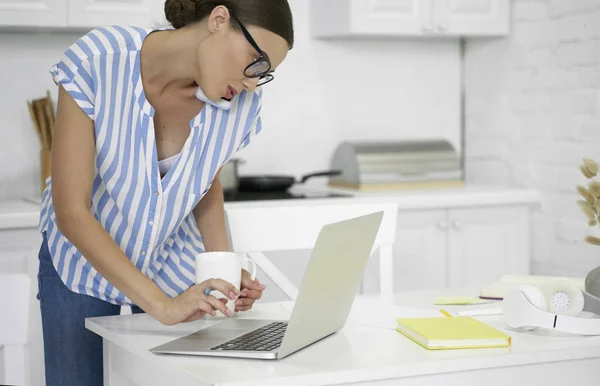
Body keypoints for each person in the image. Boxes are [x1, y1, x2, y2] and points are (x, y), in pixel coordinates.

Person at [36, 0, 294, 384]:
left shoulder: (240, 105)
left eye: (265, 74)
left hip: (168, 264)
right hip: (80, 263)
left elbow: (204, 184)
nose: (253, 82)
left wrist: (222, 269)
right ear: (219, 20)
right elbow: (72, 210)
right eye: (255, 63)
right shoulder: (99, 60)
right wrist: (161, 306)